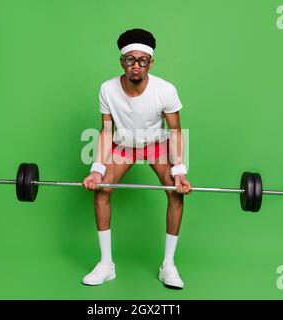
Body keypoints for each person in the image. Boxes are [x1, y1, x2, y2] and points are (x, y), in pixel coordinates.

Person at [82, 28, 192, 289]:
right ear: (122, 61)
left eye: (143, 61)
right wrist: (96, 169)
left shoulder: (165, 90)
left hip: (155, 144)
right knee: (102, 189)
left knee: (175, 191)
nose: (136, 66)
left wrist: (179, 171)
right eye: (130, 60)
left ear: (151, 62)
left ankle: (168, 265)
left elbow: (175, 132)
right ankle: (106, 264)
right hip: (124, 145)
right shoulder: (107, 89)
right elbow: (107, 131)